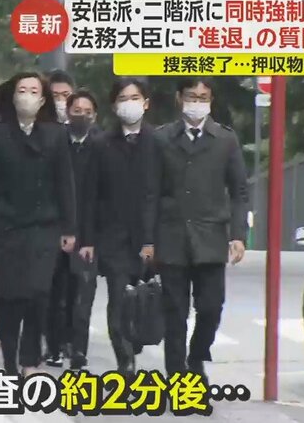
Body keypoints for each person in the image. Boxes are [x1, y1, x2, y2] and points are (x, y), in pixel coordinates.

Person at [147, 77, 248, 381]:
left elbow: (239, 192)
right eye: (192, 96)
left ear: (211, 101)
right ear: (179, 98)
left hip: (211, 237)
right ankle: (178, 376)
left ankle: (197, 355)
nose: (197, 103)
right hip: (171, 237)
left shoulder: (225, 139)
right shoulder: (161, 138)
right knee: (175, 313)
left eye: (203, 97)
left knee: (211, 307)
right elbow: (149, 192)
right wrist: (147, 239)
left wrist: (238, 236)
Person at [0, 72, 76, 376]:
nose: (27, 96)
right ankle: (9, 362)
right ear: (13, 95)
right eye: (22, 90)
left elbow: (65, 183)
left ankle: (30, 361)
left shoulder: (56, 135)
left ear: (43, 99)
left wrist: (69, 228)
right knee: (8, 298)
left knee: (38, 294)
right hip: (5, 226)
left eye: (34, 91)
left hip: (43, 227)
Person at [80, 78, 158, 377]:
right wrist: (88, 239)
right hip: (114, 238)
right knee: (118, 301)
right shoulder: (100, 144)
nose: (130, 104)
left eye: (135, 97)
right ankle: (125, 362)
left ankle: (136, 341)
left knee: (148, 299)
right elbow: (90, 195)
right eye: (123, 98)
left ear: (146, 103)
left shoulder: (159, 142)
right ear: (114, 106)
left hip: (152, 236)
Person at [43, 89, 99, 369]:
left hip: (88, 233)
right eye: (77, 111)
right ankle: (54, 347)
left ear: (95, 116)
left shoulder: (100, 146)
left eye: (87, 112)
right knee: (55, 295)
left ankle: (78, 350)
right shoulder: (54, 143)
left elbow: (100, 198)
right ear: (67, 112)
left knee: (82, 297)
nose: (82, 117)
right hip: (55, 230)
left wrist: (88, 238)